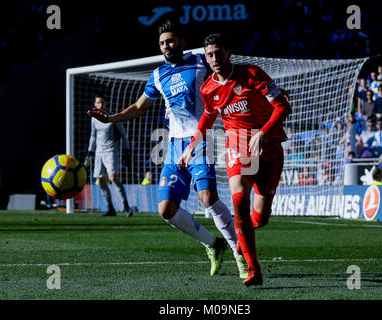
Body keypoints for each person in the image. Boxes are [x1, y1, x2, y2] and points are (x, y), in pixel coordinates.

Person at [87, 22, 247, 279]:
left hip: (200, 140)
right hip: (173, 147)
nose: (166, 46)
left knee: (207, 197)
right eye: (162, 43)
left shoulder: (200, 61)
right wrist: (112, 118)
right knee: (166, 209)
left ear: (183, 42)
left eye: (170, 41)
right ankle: (212, 244)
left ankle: (239, 253)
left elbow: (226, 70)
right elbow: (140, 106)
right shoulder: (158, 75)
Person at [177, 33, 292, 287]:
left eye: (219, 53)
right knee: (239, 201)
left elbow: (283, 106)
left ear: (229, 53)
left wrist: (263, 133)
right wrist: (190, 148)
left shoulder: (252, 74)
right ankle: (253, 269)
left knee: (260, 218)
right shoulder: (208, 88)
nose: (214, 58)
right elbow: (208, 117)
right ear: (205, 58)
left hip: (269, 144)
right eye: (209, 55)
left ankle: (242, 238)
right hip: (238, 145)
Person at [86, 94, 133, 217]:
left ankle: (126, 206)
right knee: (100, 180)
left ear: (105, 103)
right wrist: (90, 152)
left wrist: (126, 151)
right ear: (95, 105)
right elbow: (93, 135)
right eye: (98, 103)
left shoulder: (112, 117)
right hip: (99, 153)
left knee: (113, 178)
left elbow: (123, 134)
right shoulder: (94, 118)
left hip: (111, 151)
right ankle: (110, 208)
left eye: (102, 102)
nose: (100, 105)